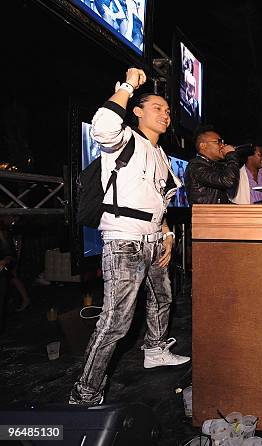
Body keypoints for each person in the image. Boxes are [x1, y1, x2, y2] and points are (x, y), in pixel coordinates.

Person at [70, 68, 190, 406]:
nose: (165, 114)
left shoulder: (160, 154)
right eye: (157, 108)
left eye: (168, 110)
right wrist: (127, 86)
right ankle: (85, 393)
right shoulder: (125, 139)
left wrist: (166, 234)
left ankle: (154, 350)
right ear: (137, 111)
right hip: (124, 241)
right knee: (115, 322)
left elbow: (159, 200)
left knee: (162, 300)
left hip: (153, 240)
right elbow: (103, 127)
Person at [185, 126, 240, 204]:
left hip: (216, 214)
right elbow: (229, 181)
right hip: (206, 215)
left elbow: (229, 194)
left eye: (223, 142)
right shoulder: (196, 166)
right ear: (203, 146)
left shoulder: (216, 166)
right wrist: (231, 155)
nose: (223, 145)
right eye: (219, 142)